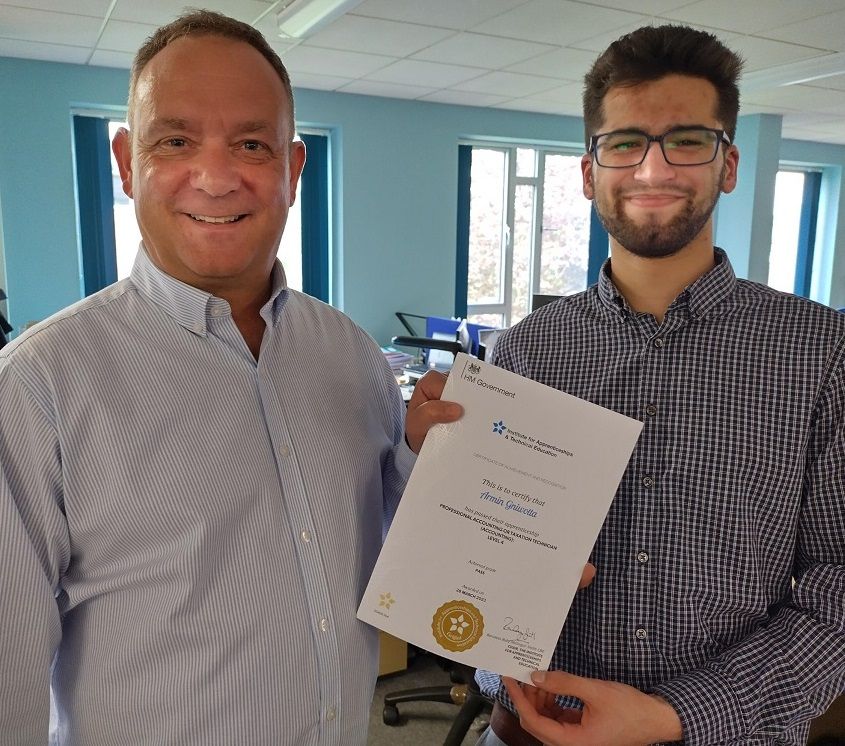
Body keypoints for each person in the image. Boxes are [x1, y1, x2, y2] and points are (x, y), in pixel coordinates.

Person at [0, 10, 460, 745]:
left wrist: (442, 478)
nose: (215, 178)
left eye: (250, 143)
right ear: (124, 163)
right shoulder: (39, 385)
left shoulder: (347, 354)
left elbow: (376, 553)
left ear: (292, 169)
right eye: (175, 140)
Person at [476, 24, 845, 746]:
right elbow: (480, 560)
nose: (651, 169)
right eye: (623, 143)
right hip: (533, 729)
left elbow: (839, 582)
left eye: (685, 140)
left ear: (727, 164)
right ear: (588, 172)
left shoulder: (822, 354)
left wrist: (676, 715)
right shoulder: (524, 354)